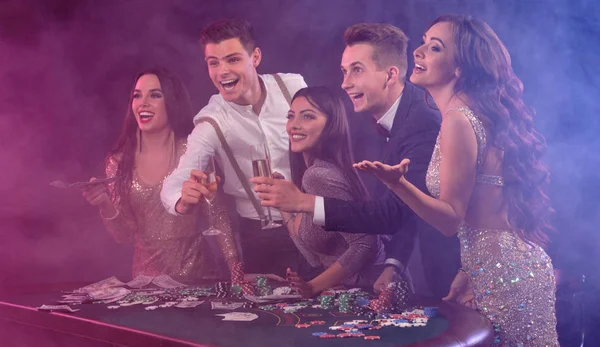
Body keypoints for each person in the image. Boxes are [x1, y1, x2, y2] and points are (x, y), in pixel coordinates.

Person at [353, 15, 558, 346]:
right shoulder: (470, 113)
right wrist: (469, 271)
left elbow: (450, 219)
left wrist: (396, 184)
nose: (417, 52)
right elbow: (487, 210)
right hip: (504, 269)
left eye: (434, 48)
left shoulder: (458, 120)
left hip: (504, 277)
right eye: (422, 42)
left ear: (459, 67)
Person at [252, 23, 460, 297]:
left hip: (451, 273)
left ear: (390, 75)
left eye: (357, 70)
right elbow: (406, 208)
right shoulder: (392, 120)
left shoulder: (420, 122)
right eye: (344, 71)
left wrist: (303, 202)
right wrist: (394, 263)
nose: (345, 82)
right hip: (402, 272)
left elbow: (393, 215)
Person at [160, 19, 307, 277]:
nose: (222, 71)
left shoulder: (292, 88)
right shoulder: (212, 120)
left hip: (313, 220)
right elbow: (176, 179)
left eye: (233, 60)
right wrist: (182, 200)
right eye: (213, 63)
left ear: (256, 57)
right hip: (261, 236)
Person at [82, 68, 240, 283]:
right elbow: (124, 235)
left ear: (172, 102)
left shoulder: (193, 150)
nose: (143, 102)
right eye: (137, 95)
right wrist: (104, 204)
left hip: (199, 278)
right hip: (146, 283)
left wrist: (236, 269)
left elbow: (217, 215)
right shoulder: (118, 162)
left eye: (155, 95)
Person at [278, 86, 384, 297]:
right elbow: (315, 257)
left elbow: (365, 243)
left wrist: (313, 286)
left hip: (373, 292)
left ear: (331, 126)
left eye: (308, 117)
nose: (294, 125)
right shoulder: (315, 174)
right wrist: (283, 208)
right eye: (291, 117)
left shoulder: (319, 175)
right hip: (349, 292)